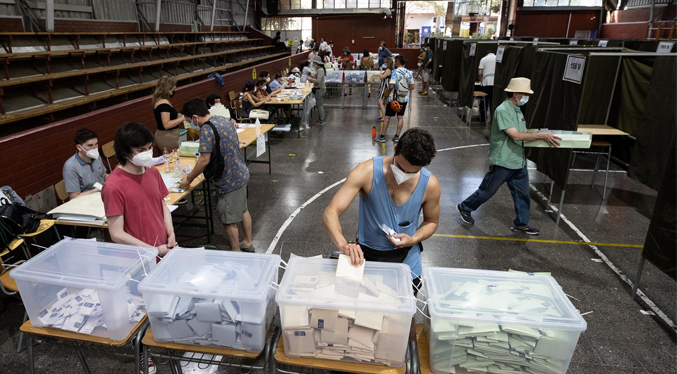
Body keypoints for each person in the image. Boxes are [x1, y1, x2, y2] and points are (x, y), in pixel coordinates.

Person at [323, 128, 440, 294]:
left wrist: (413, 239)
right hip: (368, 258)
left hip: (407, 261)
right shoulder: (366, 172)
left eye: (412, 172)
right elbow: (330, 212)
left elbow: (431, 221)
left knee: (403, 315)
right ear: (395, 148)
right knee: (367, 314)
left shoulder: (430, 185)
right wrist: (343, 244)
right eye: (400, 167)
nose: (404, 174)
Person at [456, 78, 561, 235]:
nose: (527, 97)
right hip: (503, 160)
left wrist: (538, 134)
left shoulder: (517, 110)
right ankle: (465, 207)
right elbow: (516, 136)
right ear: (516, 93)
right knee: (488, 190)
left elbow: (522, 132)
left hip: (517, 160)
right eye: (525, 94)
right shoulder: (503, 110)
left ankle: (521, 223)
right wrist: (542, 136)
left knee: (522, 193)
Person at [179, 99, 254, 252]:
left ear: (195, 117)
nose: (190, 124)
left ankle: (235, 251)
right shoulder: (222, 119)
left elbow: (204, 160)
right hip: (241, 172)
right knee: (243, 209)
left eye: (188, 121)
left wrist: (188, 179)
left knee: (228, 220)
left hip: (228, 180)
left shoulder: (206, 129)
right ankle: (247, 242)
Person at [102, 122, 177, 256]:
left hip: (162, 247)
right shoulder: (113, 186)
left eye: (149, 148)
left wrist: (171, 234)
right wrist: (154, 250)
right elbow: (116, 234)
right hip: (138, 256)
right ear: (125, 152)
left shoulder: (152, 171)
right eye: (141, 150)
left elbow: (162, 205)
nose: (147, 153)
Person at [376, 55, 414, 144]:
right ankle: (397, 137)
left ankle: (382, 136)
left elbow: (391, 85)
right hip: (404, 99)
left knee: (387, 118)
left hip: (393, 99)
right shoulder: (409, 72)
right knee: (400, 118)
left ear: (397, 62)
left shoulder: (394, 72)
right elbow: (412, 87)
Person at [63, 129, 108, 200]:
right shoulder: (70, 167)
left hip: (103, 194)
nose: (94, 148)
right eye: (90, 145)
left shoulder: (96, 157)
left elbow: (104, 175)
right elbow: (74, 196)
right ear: (79, 147)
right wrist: (96, 191)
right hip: (86, 201)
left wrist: (115, 179)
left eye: (96, 144)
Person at [153, 76, 185, 152]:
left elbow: (170, 117)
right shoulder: (163, 104)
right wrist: (183, 117)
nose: (174, 89)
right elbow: (166, 124)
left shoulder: (162, 101)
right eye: (173, 88)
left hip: (169, 136)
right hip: (167, 137)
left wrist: (180, 115)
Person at [306, 55, 326, 126]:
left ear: (317, 63)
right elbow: (314, 75)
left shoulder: (320, 70)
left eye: (314, 63)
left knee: (319, 105)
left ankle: (322, 120)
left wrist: (310, 79)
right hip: (319, 89)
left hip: (320, 89)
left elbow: (318, 81)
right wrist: (311, 76)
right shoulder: (318, 69)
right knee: (319, 105)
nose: (313, 64)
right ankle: (321, 118)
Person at [478, 50, 497, 124]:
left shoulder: (484, 59)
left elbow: (480, 73)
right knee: (493, 101)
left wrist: (481, 80)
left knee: (484, 101)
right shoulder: (497, 58)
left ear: (486, 54)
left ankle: (483, 118)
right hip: (495, 83)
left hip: (486, 82)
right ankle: (493, 118)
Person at [377, 56, 394, 122]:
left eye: (385, 62)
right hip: (384, 87)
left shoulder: (387, 70)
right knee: (384, 103)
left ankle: (384, 116)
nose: (384, 63)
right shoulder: (389, 70)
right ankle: (383, 116)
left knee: (380, 102)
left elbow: (381, 77)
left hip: (384, 88)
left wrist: (381, 71)